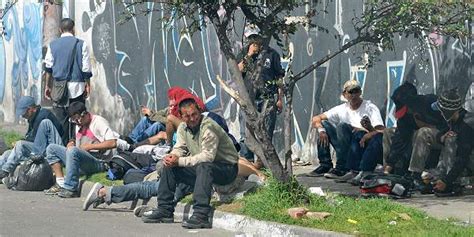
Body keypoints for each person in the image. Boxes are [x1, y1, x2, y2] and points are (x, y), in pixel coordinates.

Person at [140, 98, 239, 229]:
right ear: (181, 116)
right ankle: (165, 210)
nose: (192, 119)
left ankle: (201, 215)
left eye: (195, 114)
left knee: (204, 166)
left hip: (227, 169)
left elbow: (207, 157)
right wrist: (172, 157)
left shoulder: (209, 127)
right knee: (170, 167)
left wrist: (179, 161)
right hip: (204, 167)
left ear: (199, 111)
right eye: (187, 116)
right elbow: (180, 147)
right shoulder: (182, 128)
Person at [44, 101, 129, 198]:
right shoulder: (78, 124)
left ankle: (71, 188)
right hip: (82, 158)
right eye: (74, 121)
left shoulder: (98, 122)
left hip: (99, 162)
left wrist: (90, 147)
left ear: (84, 114)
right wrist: (72, 142)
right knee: (51, 148)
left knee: (73, 151)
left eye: (78, 120)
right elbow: (76, 140)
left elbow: (113, 142)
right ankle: (60, 183)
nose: (77, 123)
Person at [305, 80, 384, 179]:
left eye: (356, 91)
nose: (354, 95)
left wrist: (365, 130)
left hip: (360, 145)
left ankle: (342, 167)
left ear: (360, 92)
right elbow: (316, 118)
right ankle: (325, 165)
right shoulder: (341, 109)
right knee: (324, 125)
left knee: (342, 127)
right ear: (345, 94)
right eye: (351, 92)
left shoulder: (370, 108)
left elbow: (381, 131)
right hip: (344, 145)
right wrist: (321, 131)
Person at [409, 89, 474, 196]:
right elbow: (442, 131)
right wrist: (441, 137)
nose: (440, 113)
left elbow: (463, 157)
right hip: (460, 157)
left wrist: (447, 181)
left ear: (447, 111)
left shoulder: (467, 125)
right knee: (427, 133)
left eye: (441, 110)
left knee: (451, 139)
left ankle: (450, 183)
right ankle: (415, 175)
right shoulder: (453, 118)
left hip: (468, 160)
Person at [237, 33, 284, 166]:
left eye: (257, 42)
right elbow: (238, 70)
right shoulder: (245, 53)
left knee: (267, 132)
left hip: (267, 98)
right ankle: (247, 160)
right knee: (245, 132)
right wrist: (249, 55)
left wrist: (279, 98)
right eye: (252, 43)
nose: (255, 45)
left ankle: (262, 162)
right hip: (248, 98)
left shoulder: (272, 54)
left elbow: (279, 77)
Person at [44, 18, 92, 142]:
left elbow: (48, 68)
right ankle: (77, 145)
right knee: (78, 118)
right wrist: (88, 85)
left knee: (62, 120)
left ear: (60, 29)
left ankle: (63, 148)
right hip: (77, 87)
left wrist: (47, 86)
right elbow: (86, 68)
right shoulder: (81, 44)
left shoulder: (53, 45)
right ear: (73, 29)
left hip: (59, 88)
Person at [383, 82, 444, 176]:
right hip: (418, 138)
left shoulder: (430, 102)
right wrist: (389, 164)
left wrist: (429, 126)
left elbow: (450, 122)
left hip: (442, 135)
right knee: (389, 131)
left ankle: (415, 172)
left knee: (423, 132)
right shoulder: (405, 117)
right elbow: (399, 139)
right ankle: (390, 171)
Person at [0, 96, 64, 179]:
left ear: (30, 109)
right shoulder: (33, 117)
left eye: (24, 113)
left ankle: (5, 171)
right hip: (38, 149)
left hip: (48, 150)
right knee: (7, 154)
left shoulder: (43, 116)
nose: (23, 116)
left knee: (20, 145)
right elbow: (30, 137)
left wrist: (20, 143)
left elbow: (37, 140)